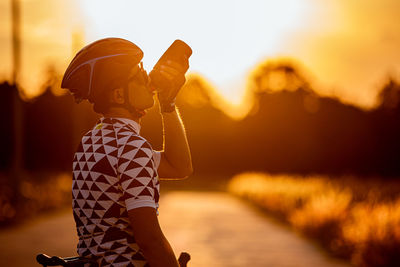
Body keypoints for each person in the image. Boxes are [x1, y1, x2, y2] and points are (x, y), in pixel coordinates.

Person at [61, 37, 193, 267]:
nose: (147, 78)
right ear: (118, 96)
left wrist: (168, 103)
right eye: (138, 76)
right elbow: (150, 241)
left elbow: (179, 166)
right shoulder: (130, 147)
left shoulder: (91, 142)